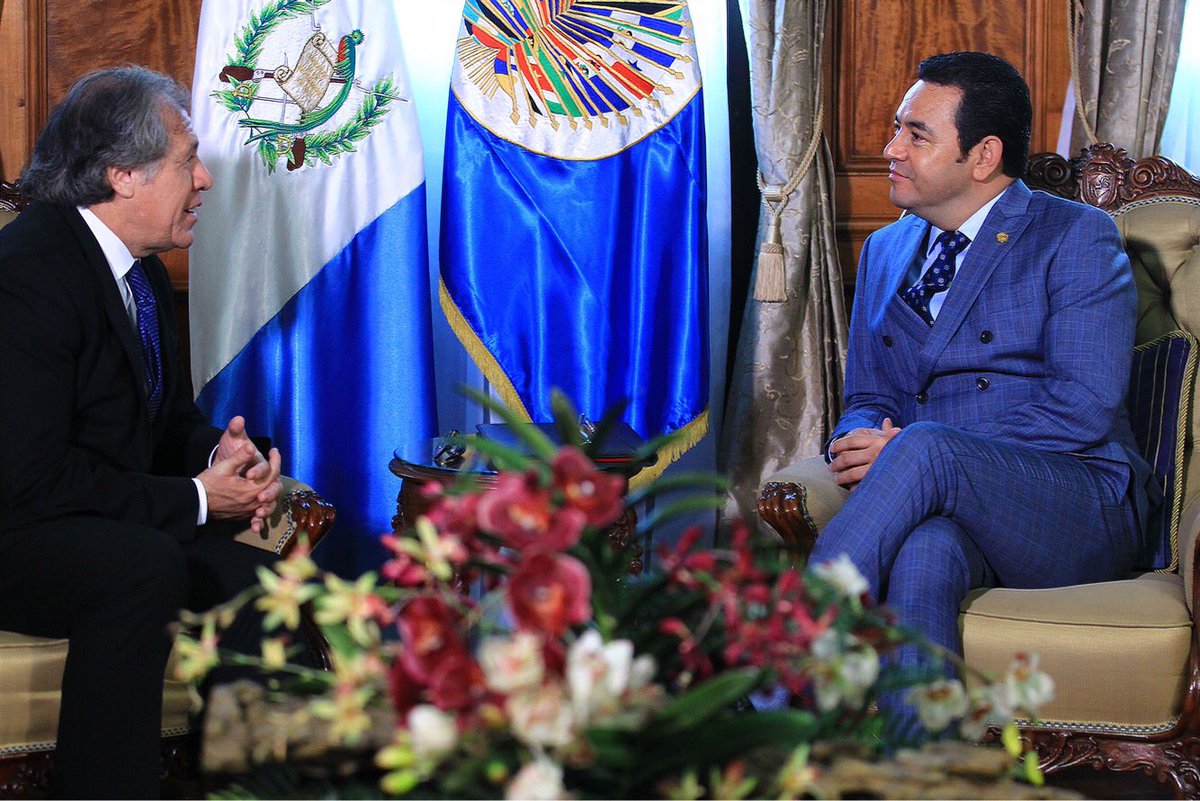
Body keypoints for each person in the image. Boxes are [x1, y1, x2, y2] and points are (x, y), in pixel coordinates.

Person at [808, 52, 1155, 736]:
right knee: (925, 552)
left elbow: (1084, 402)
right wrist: (855, 442)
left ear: (983, 155)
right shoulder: (883, 251)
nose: (890, 149)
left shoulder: (1076, 235)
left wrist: (913, 453)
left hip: (1075, 499)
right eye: (896, 130)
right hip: (945, 504)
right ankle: (923, 769)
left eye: (916, 133)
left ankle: (780, 665)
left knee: (929, 447)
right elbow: (868, 394)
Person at [0, 67, 288, 798]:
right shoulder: (27, 274)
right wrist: (197, 500)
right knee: (141, 565)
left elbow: (163, 424)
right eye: (188, 159)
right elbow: (29, 478)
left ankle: (248, 788)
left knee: (251, 577)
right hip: (17, 529)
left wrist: (217, 457)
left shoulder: (144, 273)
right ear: (121, 174)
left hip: (93, 519)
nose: (205, 179)